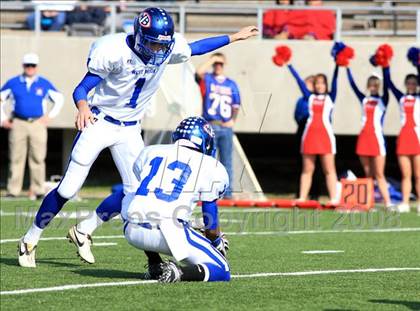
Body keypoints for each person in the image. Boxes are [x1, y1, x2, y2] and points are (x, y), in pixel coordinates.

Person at [18, 7, 258, 268]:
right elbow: (82, 88)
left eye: (161, 45)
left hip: (130, 128)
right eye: (153, 44)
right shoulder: (113, 50)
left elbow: (196, 47)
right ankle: (30, 239)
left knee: (136, 193)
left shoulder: (167, 47)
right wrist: (83, 107)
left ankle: (84, 229)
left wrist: (233, 37)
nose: (158, 51)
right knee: (68, 188)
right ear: (140, 36)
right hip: (100, 120)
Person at [123, 116, 230, 283]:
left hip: (131, 230)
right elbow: (210, 218)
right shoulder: (211, 166)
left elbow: (134, 195)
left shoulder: (150, 151)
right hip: (168, 232)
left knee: (133, 197)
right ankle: (178, 272)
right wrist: (216, 242)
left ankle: (155, 264)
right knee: (222, 269)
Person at [0, 53, 64, 200]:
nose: (30, 68)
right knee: (16, 157)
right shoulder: (13, 82)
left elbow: (59, 99)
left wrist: (50, 116)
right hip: (18, 123)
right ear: (23, 66)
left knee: (38, 157)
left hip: (37, 124)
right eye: (28, 65)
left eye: (33, 65)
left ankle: (38, 190)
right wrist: (2, 119)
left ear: (37, 67)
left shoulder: (43, 83)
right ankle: (13, 191)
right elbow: (1, 99)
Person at [286, 60, 339, 203]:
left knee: (329, 169)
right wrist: (289, 64)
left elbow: (336, 80)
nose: (320, 85)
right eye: (317, 83)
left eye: (322, 83)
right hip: (309, 136)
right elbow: (299, 81)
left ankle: (334, 198)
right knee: (307, 170)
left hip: (326, 137)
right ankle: (302, 197)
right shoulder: (309, 97)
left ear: (326, 85)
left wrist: (338, 65)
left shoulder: (330, 97)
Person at [195, 53, 241, 198]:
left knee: (227, 161)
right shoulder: (208, 79)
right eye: (216, 63)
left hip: (225, 125)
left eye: (221, 63)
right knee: (208, 161)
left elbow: (236, 105)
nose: (218, 66)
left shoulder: (231, 83)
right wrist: (212, 59)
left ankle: (227, 193)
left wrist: (233, 120)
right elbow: (198, 72)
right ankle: (207, 192)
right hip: (210, 125)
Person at [346, 67, 393, 207]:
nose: (372, 88)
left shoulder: (383, 99)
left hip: (377, 139)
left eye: (375, 85)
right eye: (370, 85)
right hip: (364, 138)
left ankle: (388, 202)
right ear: (368, 86)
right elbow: (352, 85)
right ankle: (369, 203)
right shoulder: (364, 99)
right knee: (368, 174)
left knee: (379, 173)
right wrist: (347, 67)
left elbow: (387, 87)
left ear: (378, 86)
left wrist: (385, 67)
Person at [383, 67, 419, 213]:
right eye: (408, 83)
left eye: (414, 83)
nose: (411, 85)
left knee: (418, 174)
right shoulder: (401, 98)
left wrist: (418, 64)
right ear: (405, 84)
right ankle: (405, 202)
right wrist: (385, 66)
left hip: (417, 137)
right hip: (404, 137)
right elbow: (389, 83)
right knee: (406, 174)